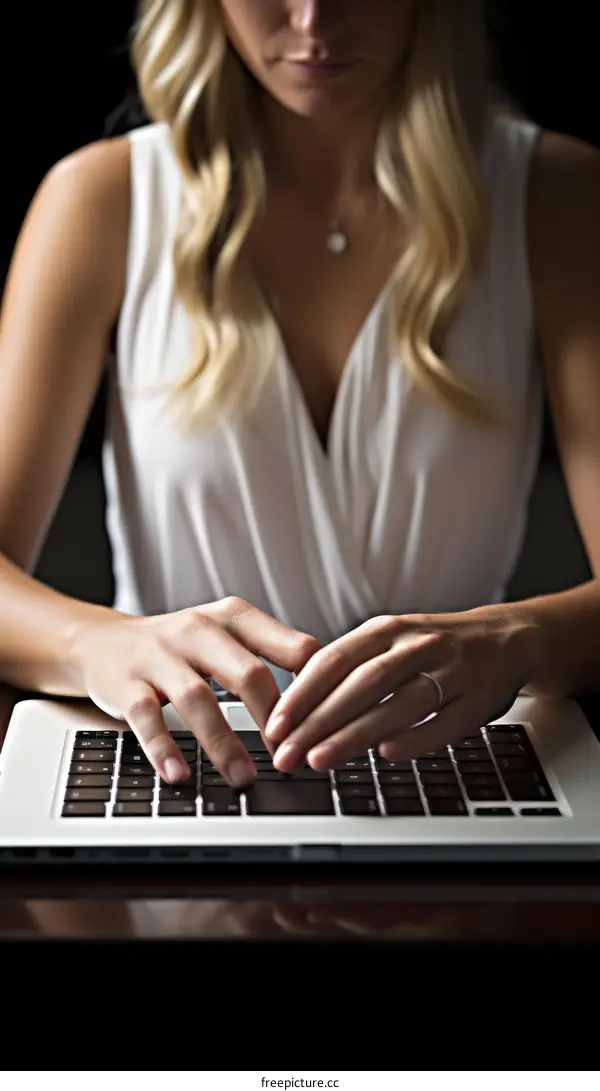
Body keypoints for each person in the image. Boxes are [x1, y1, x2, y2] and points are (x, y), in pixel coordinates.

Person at [0, 0, 599, 793]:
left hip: (440, 759)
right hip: (181, 759)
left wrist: (515, 639)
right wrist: (97, 643)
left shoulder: (555, 197)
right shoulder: (101, 199)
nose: (315, 20)